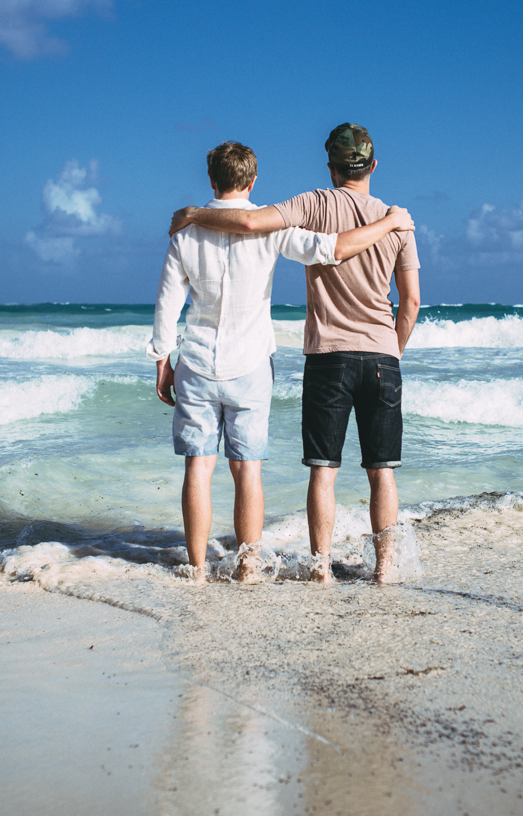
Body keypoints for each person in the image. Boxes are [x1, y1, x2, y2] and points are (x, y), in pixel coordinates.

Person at [148, 140, 414, 583]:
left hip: (195, 359)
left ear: (212, 179)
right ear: (252, 181)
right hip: (251, 362)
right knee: (247, 469)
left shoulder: (186, 232)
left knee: (198, 465)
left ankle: (196, 569)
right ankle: (248, 566)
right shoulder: (274, 228)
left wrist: (162, 358)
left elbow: (166, 303)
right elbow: (333, 249)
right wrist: (389, 223)